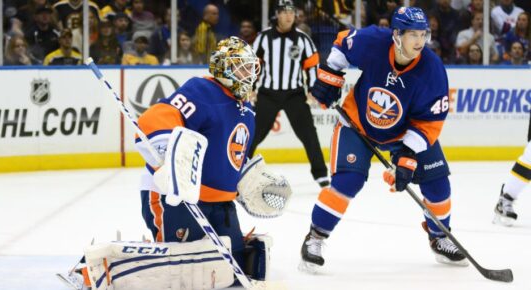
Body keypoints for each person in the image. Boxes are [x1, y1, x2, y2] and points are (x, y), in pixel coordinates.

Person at [59, 36, 282, 289]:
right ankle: (92, 268)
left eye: (251, 67)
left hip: (221, 204)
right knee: (178, 268)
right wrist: (167, 157)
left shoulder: (247, 111)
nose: (249, 73)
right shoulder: (202, 90)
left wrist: (247, 182)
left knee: (231, 269)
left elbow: (231, 156)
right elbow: (155, 118)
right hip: (176, 197)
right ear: (223, 67)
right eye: (242, 66)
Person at [301, 6, 468, 273]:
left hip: (406, 132)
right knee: (347, 181)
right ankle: (315, 237)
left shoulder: (432, 69)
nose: (419, 41)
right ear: (396, 35)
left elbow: (429, 122)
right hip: (357, 124)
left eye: (423, 34)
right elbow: (342, 45)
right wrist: (330, 77)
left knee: (438, 185)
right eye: (412, 34)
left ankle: (439, 237)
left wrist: (407, 156)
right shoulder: (374, 41)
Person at [249, 0, 329, 188]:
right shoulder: (263, 38)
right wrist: (250, 87)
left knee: (309, 134)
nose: (288, 16)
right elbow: (253, 64)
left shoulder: (303, 39)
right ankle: (239, 167)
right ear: (277, 14)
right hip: (268, 93)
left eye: (291, 12)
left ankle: (321, 174)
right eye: (284, 12)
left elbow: (311, 66)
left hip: (294, 94)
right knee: (254, 133)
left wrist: (312, 90)